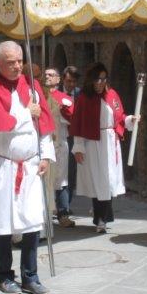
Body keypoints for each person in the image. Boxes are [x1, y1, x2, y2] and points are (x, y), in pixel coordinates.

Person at [0, 41, 55, 294]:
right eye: (11, 62)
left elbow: (43, 126)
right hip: (2, 166)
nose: (17, 66)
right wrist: (27, 113)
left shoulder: (32, 87)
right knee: (3, 222)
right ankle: (5, 274)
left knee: (31, 221)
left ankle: (30, 276)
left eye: (19, 60)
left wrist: (46, 155)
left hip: (29, 165)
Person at [70, 62, 140, 233]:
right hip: (93, 143)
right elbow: (78, 123)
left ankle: (103, 217)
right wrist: (78, 147)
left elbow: (120, 117)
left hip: (110, 142)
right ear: (91, 80)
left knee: (109, 181)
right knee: (98, 181)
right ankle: (101, 217)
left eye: (104, 79)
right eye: (98, 79)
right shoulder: (84, 99)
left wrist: (131, 119)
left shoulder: (112, 95)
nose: (101, 82)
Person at [43, 67, 75, 227]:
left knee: (61, 179)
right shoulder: (40, 96)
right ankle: (45, 213)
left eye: (51, 75)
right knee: (44, 179)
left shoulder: (64, 98)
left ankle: (63, 213)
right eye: (46, 74)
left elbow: (72, 118)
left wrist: (63, 110)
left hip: (60, 142)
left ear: (58, 79)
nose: (47, 77)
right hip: (44, 143)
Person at [61, 66, 81, 208]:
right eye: (69, 81)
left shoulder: (80, 94)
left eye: (74, 81)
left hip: (74, 136)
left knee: (71, 170)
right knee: (60, 170)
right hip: (60, 135)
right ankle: (60, 204)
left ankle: (66, 203)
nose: (71, 84)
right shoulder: (56, 93)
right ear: (63, 80)